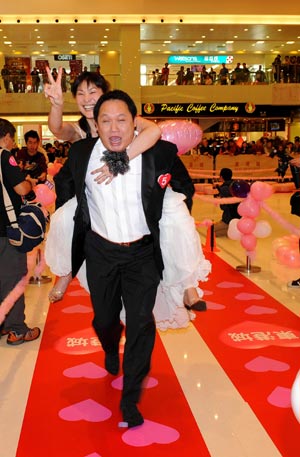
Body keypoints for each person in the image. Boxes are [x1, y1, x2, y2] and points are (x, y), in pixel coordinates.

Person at [53, 89, 196, 428]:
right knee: (104, 319)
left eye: (122, 120)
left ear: (136, 123)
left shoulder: (159, 152)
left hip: (142, 254)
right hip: (100, 252)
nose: (114, 128)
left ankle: (130, 399)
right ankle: (107, 340)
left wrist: (173, 221)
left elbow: (183, 186)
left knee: (141, 324)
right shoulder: (81, 154)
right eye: (105, 121)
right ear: (96, 124)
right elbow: (65, 186)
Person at [44, 67, 210, 327]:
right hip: (99, 191)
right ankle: (65, 273)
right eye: (80, 93)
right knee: (64, 218)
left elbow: (153, 132)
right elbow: (57, 130)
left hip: (137, 184)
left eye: (93, 91)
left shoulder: (125, 117)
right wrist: (56, 104)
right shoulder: (79, 128)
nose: (87, 98)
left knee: (175, 217)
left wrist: (120, 160)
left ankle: (187, 283)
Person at [0, 118, 41, 345]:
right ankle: (17, 329)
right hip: (6, 230)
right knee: (13, 279)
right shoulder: (4, 157)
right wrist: (29, 183)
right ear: (6, 136)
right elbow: (22, 188)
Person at [213, 168, 241, 236]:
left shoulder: (224, 188)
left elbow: (223, 207)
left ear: (221, 177)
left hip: (230, 218)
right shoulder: (236, 184)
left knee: (211, 231)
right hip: (240, 216)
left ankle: (234, 230)